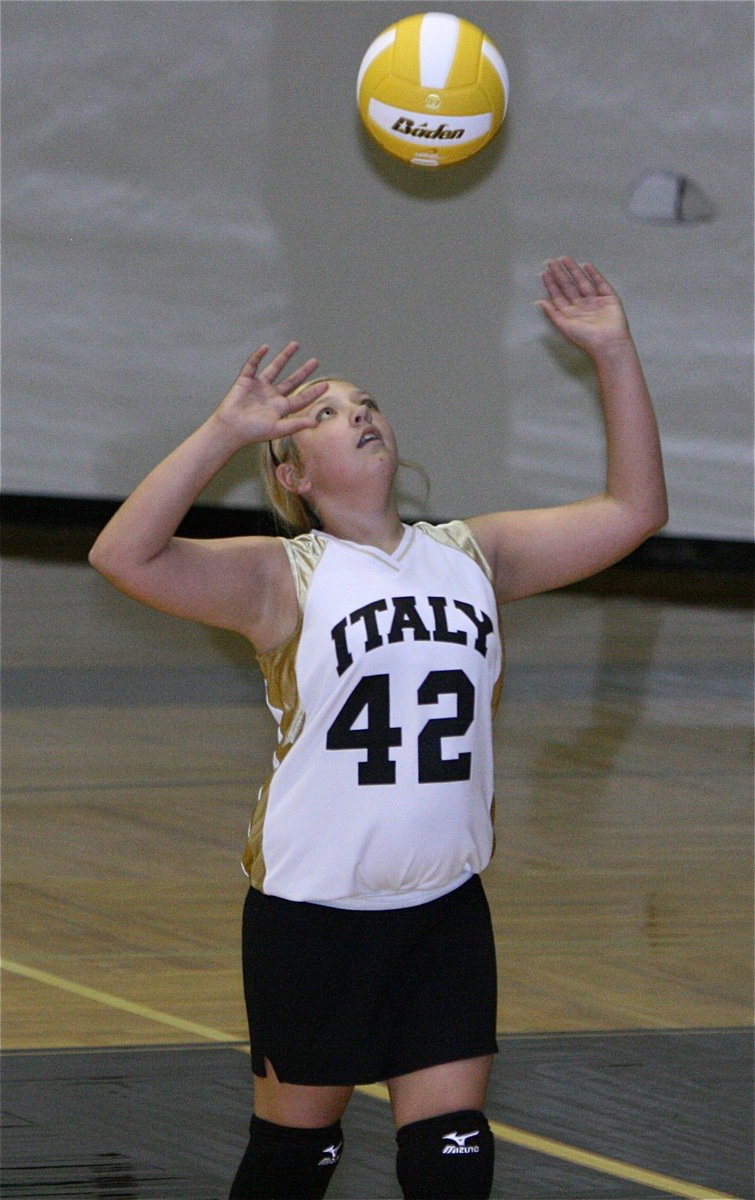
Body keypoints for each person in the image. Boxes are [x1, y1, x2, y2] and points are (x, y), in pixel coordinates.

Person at [89, 257, 667, 1200]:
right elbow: (122, 554)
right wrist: (222, 432)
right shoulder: (281, 576)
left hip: (443, 909)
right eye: (322, 411)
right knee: (292, 1163)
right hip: (314, 920)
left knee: (453, 1160)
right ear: (288, 471)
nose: (357, 413)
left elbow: (635, 512)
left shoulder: (472, 554)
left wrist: (612, 351)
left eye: (365, 402)